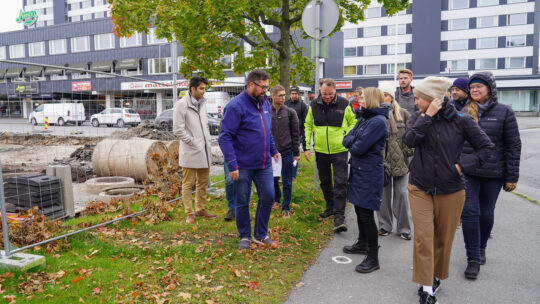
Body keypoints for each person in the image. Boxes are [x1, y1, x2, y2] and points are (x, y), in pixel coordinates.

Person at [403, 76, 494, 304]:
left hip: (451, 189)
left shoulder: (461, 121)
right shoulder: (419, 116)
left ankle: (434, 276)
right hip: (419, 187)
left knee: (443, 239)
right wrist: (427, 116)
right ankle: (426, 289)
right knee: (424, 238)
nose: (415, 103)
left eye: (418, 99)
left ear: (432, 99)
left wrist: (463, 165)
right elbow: (409, 141)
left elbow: (486, 147)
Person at [459, 72, 521, 280]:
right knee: (469, 213)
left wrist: (512, 176)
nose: (475, 90)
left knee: (486, 214)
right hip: (468, 172)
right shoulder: (463, 110)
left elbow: (513, 145)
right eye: (472, 87)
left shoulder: (504, 112)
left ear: (490, 89)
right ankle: (473, 259)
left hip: (493, 173)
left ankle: (482, 246)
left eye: (479, 86)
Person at [218, 69, 280, 249]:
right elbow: (225, 137)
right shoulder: (236, 106)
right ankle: (244, 235)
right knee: (242, 200)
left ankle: (260, 234)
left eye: (267, 88)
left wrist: (273, 149)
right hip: (242, 165)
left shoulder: (265, 104)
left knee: (268, 196)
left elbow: (267, 131)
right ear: (251, 84)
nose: (265, 91)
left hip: (264, 164)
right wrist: (232, 164)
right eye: (263, 87)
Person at [342, 87, 388, 273]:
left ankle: (373, 257)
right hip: (360, 170)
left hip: (369, 173)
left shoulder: (378, 121)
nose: (359, 100)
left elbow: (357, 148)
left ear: (371, 99)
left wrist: (354, 139)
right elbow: (346, 140)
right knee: (359, 210)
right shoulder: (364, 117)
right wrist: (354, 139)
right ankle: (362, 243)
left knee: (367, 215)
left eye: (362, 98)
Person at [304, 78, 357, 233]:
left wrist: (346, 137)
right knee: (325, 181)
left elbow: (353, 122)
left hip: (340, 149)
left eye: (330, 94)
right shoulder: (313, 105)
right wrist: (306, 147)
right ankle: (330, 207)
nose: (327, 97)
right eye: (324, 94)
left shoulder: (344, 103)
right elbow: (307, 125)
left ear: (335, 91)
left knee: (340, 182)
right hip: (321, 150)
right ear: (320, 91)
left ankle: (339, 216)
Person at [173, 76, 216, 224]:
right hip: (191, 150)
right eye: (201, 88)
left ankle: (201, 208)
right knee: (188, 183)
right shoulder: (181, 105)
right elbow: (178, 130)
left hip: (204, 150)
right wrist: (193, 142)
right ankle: (189, 213)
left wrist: (205, 142)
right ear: (192, 89)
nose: (204, 91)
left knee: (203, 182)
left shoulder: (203, 103)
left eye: (205, 88)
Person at [376, 82, 413, 240]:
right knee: (383, 196)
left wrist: (408, 153)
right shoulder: (376, 114)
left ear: (391, 96)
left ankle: (404, 228)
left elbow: (411, 136)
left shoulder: (403, 114)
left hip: (401, 162)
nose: (383, 98)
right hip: (381, 162)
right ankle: (385, 226)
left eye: (386, 94)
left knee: (403, 195)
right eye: (381, 95)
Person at [270, 85, 300, 218]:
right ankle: (276, 200)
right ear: (272, 96)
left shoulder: (290, 112)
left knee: (287, 180)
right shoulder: (265, 112)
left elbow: (295, 134)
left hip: (287, 151)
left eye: (284, 95)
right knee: (273, 179)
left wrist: (296, 153)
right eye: (280, 95)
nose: (283, 98)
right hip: (271, 152)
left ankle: (285, 207)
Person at [285, 85, 308, 182]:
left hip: (297, 135)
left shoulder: (303, 105)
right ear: (290, 94)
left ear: (298, 94)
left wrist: (303, 134)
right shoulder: (285, 104)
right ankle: (285, 174)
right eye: (292, 94)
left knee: (295, 154)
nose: (294, 95)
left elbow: (305, 121)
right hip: (286, 134)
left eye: (296, 94)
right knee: (286, 155)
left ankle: (293, 175)